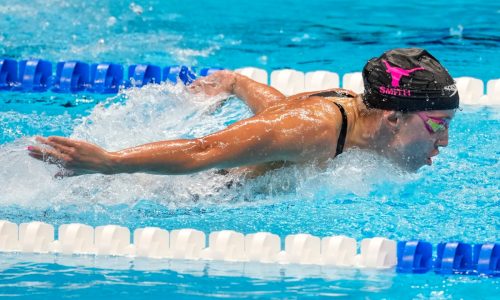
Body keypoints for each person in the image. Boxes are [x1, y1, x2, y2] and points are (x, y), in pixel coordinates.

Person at [27, 48, 459, 177]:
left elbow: (277, 115)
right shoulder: (317, 128)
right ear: (394, 118)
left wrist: (237, 84)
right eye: (438, 126)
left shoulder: (354, 116)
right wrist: (109, 162)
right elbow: (204, 150)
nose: (444, 141)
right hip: (196, 196)